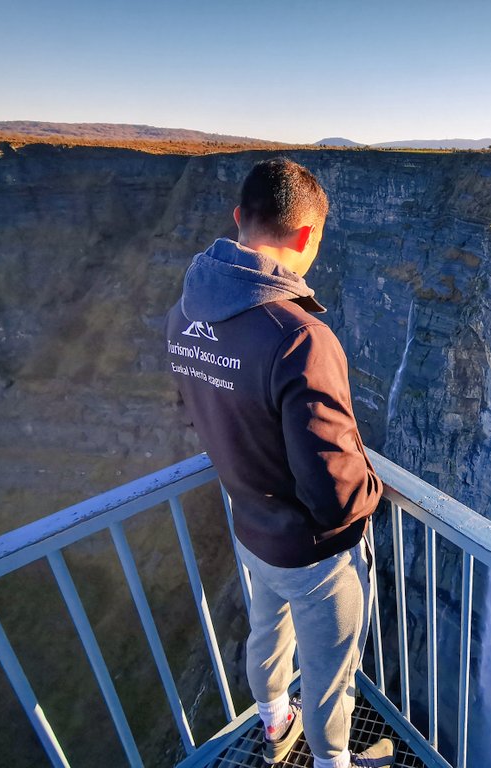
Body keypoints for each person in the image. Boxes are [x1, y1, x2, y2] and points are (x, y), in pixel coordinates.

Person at [165, 157, 394, 767]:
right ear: (308, 235)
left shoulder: (184, 314)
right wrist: (373, 489)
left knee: (267, 635)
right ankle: (332, 759)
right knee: (329, 673)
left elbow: (200, 413)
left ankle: (274, 723)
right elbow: (336, 492)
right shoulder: (299, 338)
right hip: (312, 552)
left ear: (240, 217)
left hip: (249, 527)